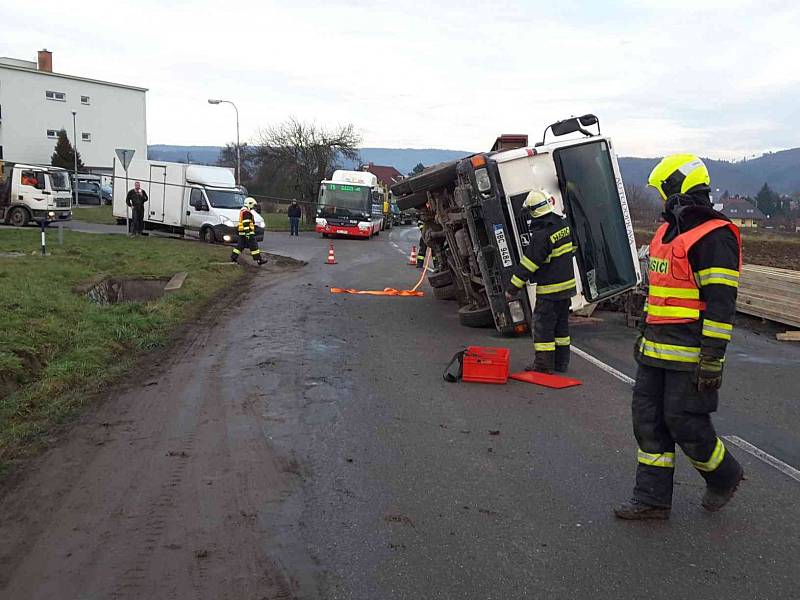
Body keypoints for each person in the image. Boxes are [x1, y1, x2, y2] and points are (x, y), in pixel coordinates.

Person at [615, 154, 743, 520]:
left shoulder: (715, 236)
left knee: (685, 422)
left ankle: (724, 475)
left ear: (680, 186)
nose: (661, 198)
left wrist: (712, 357)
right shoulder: (666, 231)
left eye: (664, 190)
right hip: (654, 349)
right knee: (648, 420)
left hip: (690, 353)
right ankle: (652, 499)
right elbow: (659, 292)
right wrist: (643, 331)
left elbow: (721, 304)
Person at [505, 189, 576, 373]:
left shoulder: (541, 235)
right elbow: (573, 247)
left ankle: (543, 365)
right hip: (567, 289)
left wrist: (512, 288)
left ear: (534, 212)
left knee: (543, 327)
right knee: (561, 329)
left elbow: (528, 265)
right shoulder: (563, 225)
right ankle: (561, 363)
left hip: (550, 292)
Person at [231, 197, 267, 265]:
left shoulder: (243, 211)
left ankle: (233, 258)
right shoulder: (247, 212)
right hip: (248, 233)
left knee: (240, 246)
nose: (253, 207)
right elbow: (246, 223)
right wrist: (247, 233)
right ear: (249, 204)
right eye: (253, 205)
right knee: (254, 246)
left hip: (242, 233)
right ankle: (259, 260)